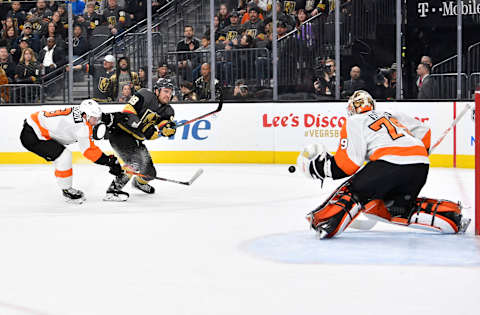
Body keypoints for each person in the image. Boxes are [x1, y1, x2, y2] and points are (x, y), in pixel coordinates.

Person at [297, 90, 470, 239]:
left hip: (389, 164)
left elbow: (348, 164)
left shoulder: (354, 121)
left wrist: (321, 168)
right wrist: (418, 151)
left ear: (351, 108)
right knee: (396, 208)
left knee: (354, 190)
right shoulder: (390, 114)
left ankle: (325, 221)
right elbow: (424, 132)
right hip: (420, 166)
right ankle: (452, 216)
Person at [19, 99, 123, 203]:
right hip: (33, 136)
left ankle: (66, 188)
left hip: (35, 125)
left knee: (63, 155)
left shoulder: (84, 114)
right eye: (94, 118)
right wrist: (109, 162)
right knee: (64, 157)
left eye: (98, 118)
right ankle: (67, 191)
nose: (97, 121)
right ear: (85, 116)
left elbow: (94, 121)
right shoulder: (81, 128)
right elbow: (89, 152)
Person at [101, 78, 177, 201]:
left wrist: (167, 130)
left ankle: (139, 183)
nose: (168, 95)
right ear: (157, 91)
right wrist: (143, 127)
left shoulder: (168, 110)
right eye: (166, 91)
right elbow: (128, 112)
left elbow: (161, 126)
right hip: (120, 133)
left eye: (170, 92)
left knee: (150, 173)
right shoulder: (144, 95)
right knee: (135, 163)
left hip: (136, 139)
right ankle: (113, 190)